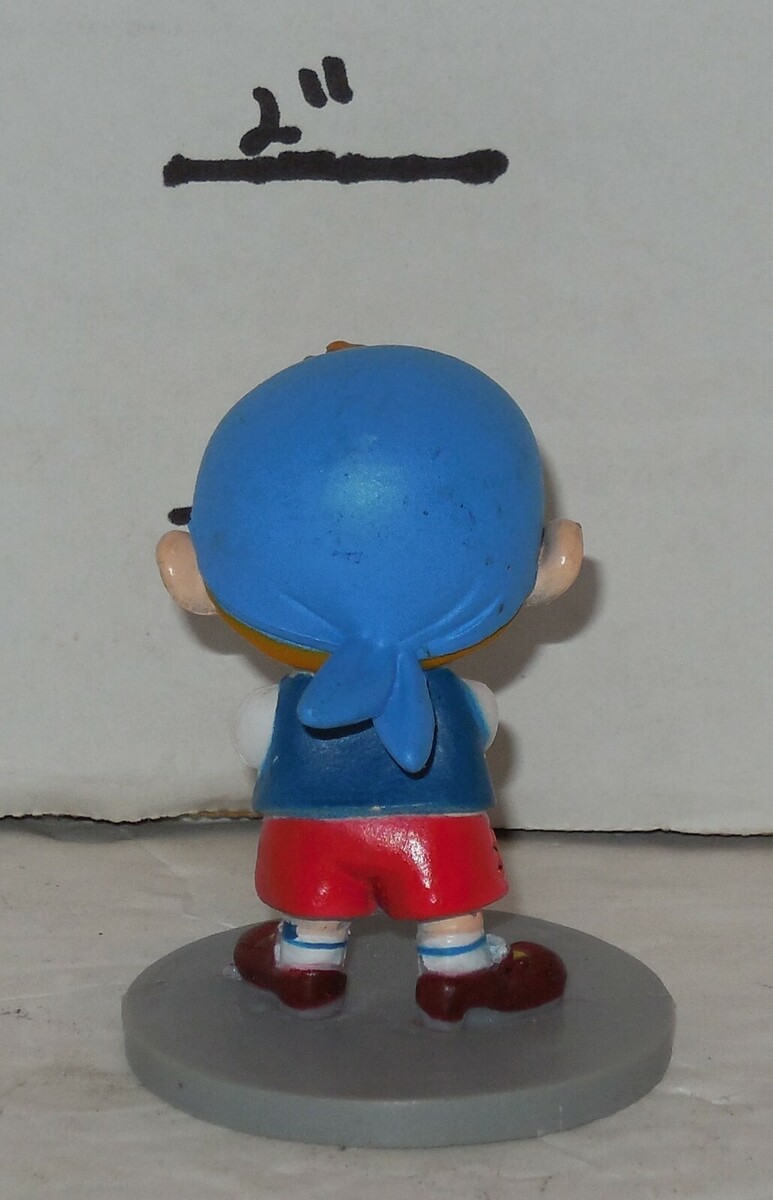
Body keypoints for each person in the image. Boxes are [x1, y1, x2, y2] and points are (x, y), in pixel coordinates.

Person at [156, 342, 583, 1024]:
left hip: (310, 833)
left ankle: (305, 968)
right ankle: (457, 973)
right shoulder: (462, 701)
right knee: (450, 905)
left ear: (188, 573)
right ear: (555, 562)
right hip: (438, 833)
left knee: (313, 906)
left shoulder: (278, 708)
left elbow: (257, 740)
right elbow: (479, 724)